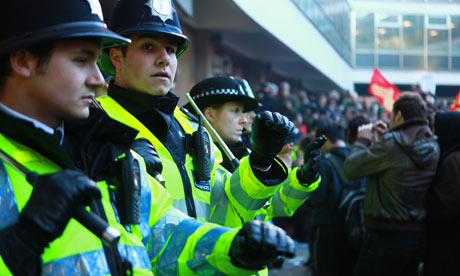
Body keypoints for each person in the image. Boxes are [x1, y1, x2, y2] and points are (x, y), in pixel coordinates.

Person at [0, 1, 296, 275]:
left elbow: (161, 232)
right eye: (81, 60)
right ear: (24, 61)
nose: (97, 78)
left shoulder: (104, 146)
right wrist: (21, 244)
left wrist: (234, 248)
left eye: (171, 49)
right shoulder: (108, 139)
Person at [97, 0, 322, 230]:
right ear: (116, 57)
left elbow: (227, 207)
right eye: (148, 47)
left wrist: (260, 163)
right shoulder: (91, 122)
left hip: (203, 264)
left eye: (171, 50)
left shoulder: (191, 127)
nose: (164, 58)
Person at [186, 76, 322, 221]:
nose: (244, 119)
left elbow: (271, 205)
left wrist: (303, 179)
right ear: (209, 114)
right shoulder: (189, 159)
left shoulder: (247, 156)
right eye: (236, 111)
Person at [343, 92, 440, 276]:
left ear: (399, 115)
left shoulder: (392, 144)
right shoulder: (434, 145)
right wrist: (387, 137)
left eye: (391, 116)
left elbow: (350, 169)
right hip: (417, 236)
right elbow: (403, 158)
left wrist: (363, 139)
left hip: (384, 236)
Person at [308, 121, 358, 276]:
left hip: (326, 228)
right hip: (353, 227)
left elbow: (317, 198)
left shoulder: (325, 164)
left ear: (326, 140)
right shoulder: (358, 157)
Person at [424, 111, 460, 276]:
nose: (433, 134)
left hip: (448, 241)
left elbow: (444, 204)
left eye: (435, 129)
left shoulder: (453, 160)